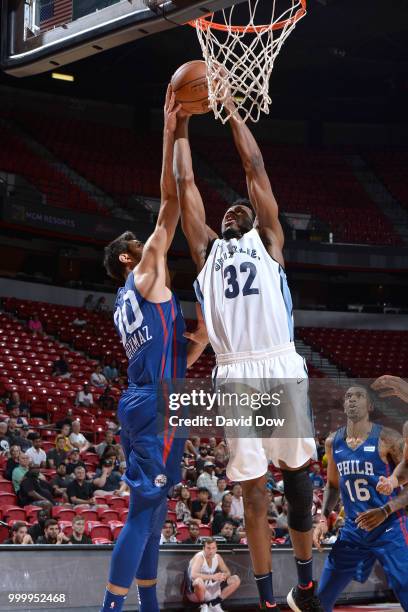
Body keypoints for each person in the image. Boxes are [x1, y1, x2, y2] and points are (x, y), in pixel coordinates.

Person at [174, 104, 319, 611]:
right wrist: (180, 123)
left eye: (241, 209)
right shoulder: (205, 252)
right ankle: (265, 601)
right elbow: (185, 184)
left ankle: (305, 587)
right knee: (253, 493)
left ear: (257, 220)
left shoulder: (269, 240)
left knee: (299, 484)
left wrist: (234, 111)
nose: (232, 211)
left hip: (279, 362)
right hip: (234, 372)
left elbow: (255, 168)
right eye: (227, 211)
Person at [98, 87, 208, 612]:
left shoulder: (129, 300)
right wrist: (171, 129)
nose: (145, 240)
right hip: (157, 406)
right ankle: (111, 608)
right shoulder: (143, 272)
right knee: (143, 513)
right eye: (133, 241)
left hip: (155, 397)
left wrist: (200, 344)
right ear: (125, 257)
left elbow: (171, 362)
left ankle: (147, 606)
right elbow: (168, 202)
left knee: (156, 509)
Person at [313, 386, 408, 611]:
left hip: (390, 527)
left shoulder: (388, 438)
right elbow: (333, 486)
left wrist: (386, 509)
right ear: (344, 405)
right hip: (353, 532)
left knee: (405, 586)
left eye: (359, 396)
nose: (352, 400)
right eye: (348, 397)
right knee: (321, 599)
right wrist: (323, 518)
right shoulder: (332, 442)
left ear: (370, 406)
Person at [186, 538, 241, 612]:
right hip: (193, 591)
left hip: (209, 587)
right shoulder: (199, 557)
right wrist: (213, 577)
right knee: (199, 581)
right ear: (204, 548)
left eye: (213, 548)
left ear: (216, 549)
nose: (211, 551)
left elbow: (228, 572)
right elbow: (193, 575)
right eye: (208, 548)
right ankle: (203, 605)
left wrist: (222, 576)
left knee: (235, 579)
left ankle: (215, 603)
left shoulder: (217, 557)